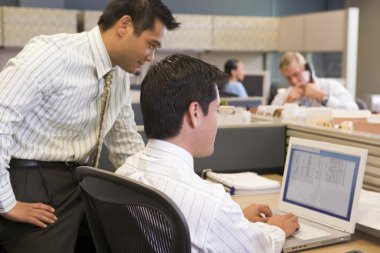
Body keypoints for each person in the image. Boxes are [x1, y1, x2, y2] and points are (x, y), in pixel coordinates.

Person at [0, 0, 180, 252]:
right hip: (30, 182)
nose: (151, 57)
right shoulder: (51, 55)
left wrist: (179, 194)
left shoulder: (118, 75)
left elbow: (126, 147)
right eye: (151, 44)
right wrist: (6, 203)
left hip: (80, 184)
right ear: (125, 25)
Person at [116, 54, 299, 253]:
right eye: (216, 110)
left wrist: (233, 223)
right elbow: (256, 247)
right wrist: (277, 228)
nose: (217, 122)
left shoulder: (124, 172)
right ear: (195, 113)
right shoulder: (211, 203)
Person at [271, 51, 358, 110]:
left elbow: (354, 111)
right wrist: (287, 103)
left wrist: (323, 97)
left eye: (296, 74)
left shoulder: (331, 86)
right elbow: (270, 120)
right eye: (288, 78)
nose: (293, 81)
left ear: (306, 69)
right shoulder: (284, 96)